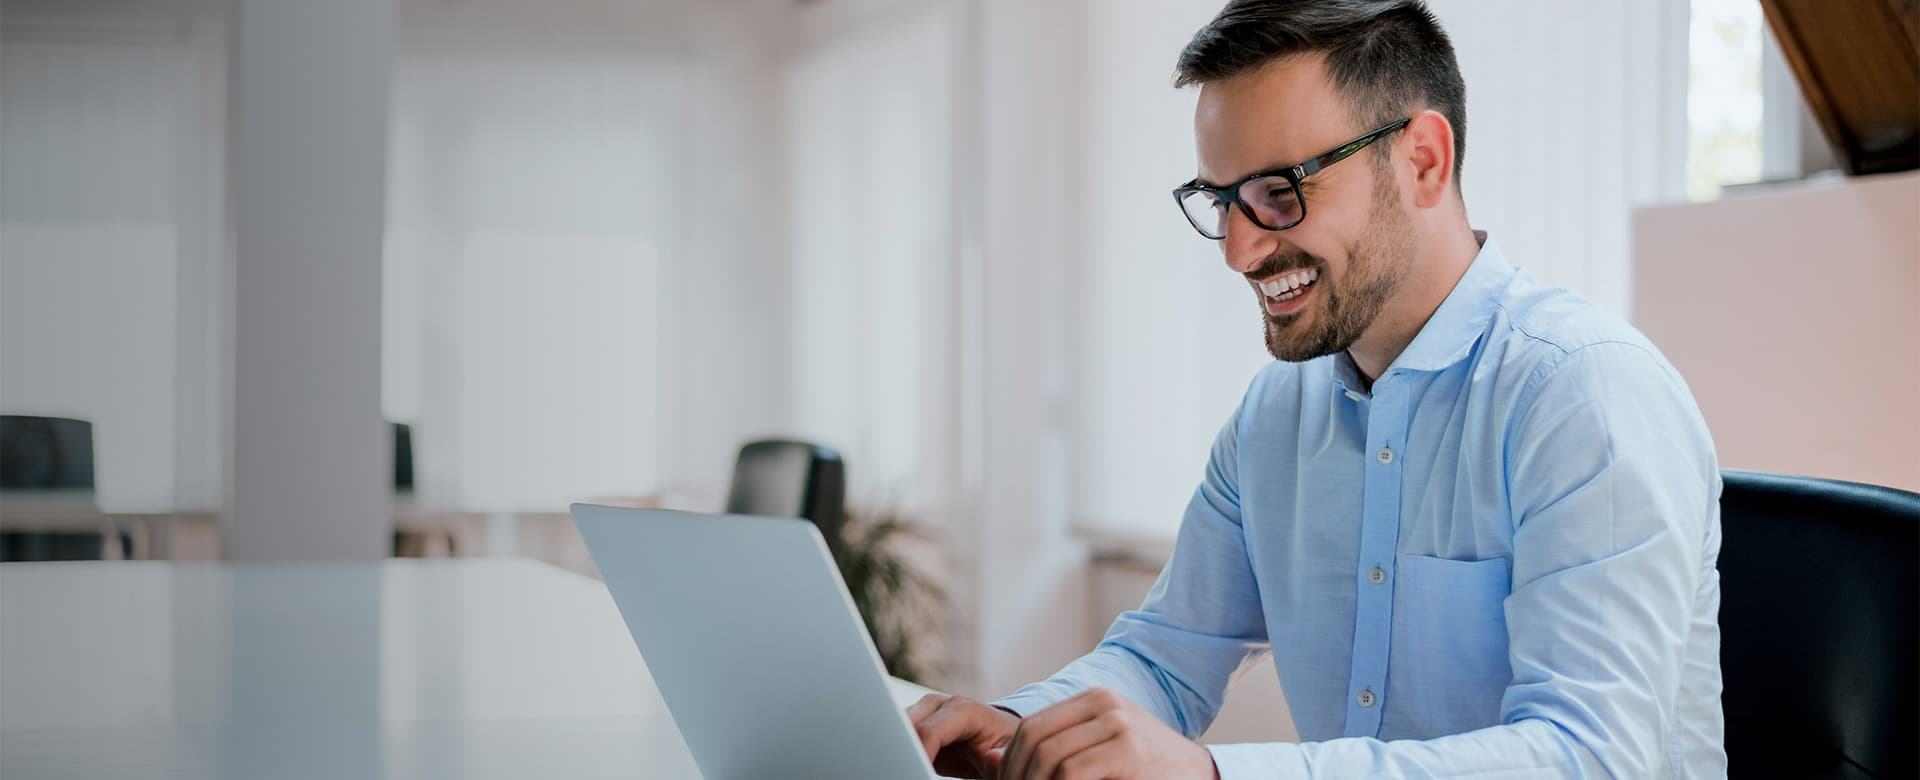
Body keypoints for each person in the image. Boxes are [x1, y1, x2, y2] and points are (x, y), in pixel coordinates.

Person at [908, 1, 1726, 777]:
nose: (1237, 252)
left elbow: (1593, 758)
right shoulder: (1276, 417)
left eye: (1278, 193)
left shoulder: (1585, 396)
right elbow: (1167, 652)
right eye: (1221, 201)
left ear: (1423, 162)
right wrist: (1022, 727)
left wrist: (1214, 771)